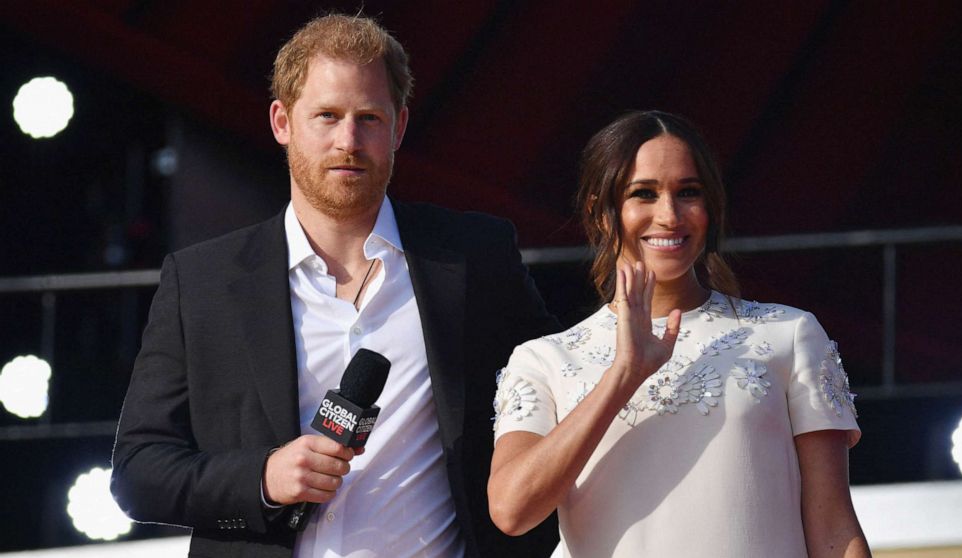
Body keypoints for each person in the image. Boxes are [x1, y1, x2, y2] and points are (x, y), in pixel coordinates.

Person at [111, 13, 559, 558]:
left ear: (398, 127)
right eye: (327, 116)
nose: (349, 140)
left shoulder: (474, 257)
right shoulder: (202, 282)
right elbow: (138, 472)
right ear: (282, 122)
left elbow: (556, 397)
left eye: (369, 118)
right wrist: (264, 478)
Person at [488, 111, 870, 557]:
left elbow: (833, 528)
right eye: (643, 194)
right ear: (601, 212)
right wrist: (625, 374)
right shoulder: (545, 360)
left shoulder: (789, 335)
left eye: (688, 192)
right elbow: (512, 511)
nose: (669, 215)